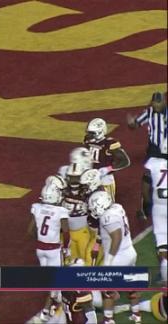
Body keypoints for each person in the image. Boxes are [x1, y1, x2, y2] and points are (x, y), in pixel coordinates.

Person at [88, 191, 140, 324]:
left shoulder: (107, 216)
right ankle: (136, 315)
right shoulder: (117, 208)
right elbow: (105, 232)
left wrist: (109, 261)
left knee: (107, 291)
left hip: (119, 257)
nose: (93, 209)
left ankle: (108, 320)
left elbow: (116, 237)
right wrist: (96, 246)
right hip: (130, 252)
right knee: (131, 285)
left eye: (94, 206)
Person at [28, 184, 70, 322]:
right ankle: (52, 311)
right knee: (57, 283)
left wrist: (41, 240)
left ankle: (47, 310)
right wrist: (66, 246)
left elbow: (30, 231)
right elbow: (66, 232)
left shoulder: (37, 208)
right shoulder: (60, 211)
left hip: (40, 249)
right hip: (53, 250)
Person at [83, 118, 131, 200]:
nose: (89, 135)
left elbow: (125, 161)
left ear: (100, 132)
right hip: (89, 176)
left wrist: (107, 169)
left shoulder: (110, 143)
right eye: (89, 132)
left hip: (105, 179)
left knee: (106, 203)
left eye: (92, 133)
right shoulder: (87, 141)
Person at [139, 155, 167, 288]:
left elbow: (145, 184)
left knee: (161, 240)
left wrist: (147, 202)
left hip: (159, 206)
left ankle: (163, 274)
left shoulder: (154, 163)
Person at [127, 91, 167, 161]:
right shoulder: (149, 112)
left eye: (159, 102)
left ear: (164, 102)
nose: (156, 105)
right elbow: (136, 125)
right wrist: (131, 124)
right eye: (155, 102)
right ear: (151, 102)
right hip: (154, 146)